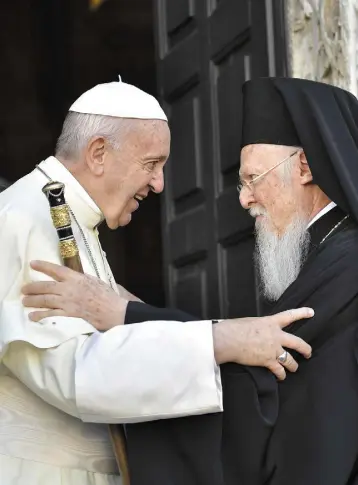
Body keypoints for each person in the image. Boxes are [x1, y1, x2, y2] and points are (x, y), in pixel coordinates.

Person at [24, 77, 358, 485]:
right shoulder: (328, 255)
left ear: (305, 167)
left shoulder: (347, 268)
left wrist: (129, 315)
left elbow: (267, 397)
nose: (243, 198)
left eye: (252, 178)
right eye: (242, 182)